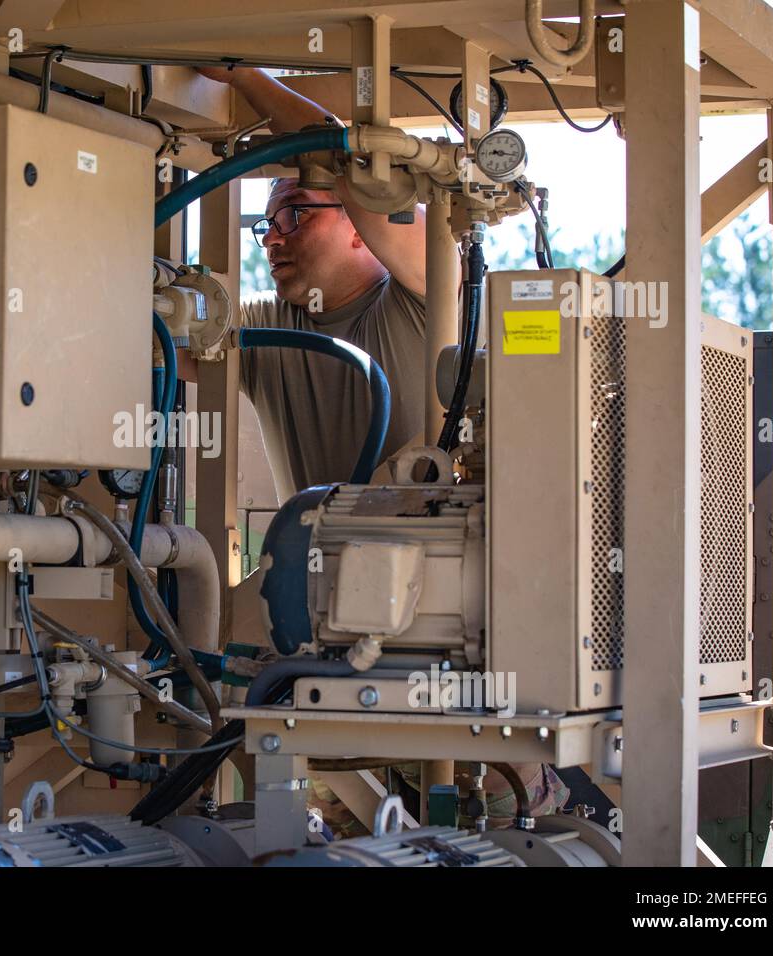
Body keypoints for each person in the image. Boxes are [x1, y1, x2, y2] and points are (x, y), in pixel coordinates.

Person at [196, 66, 569, 834]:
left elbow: (356, 172)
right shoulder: (266, 335)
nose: (274, 235)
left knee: (488, 836)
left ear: (360, 227)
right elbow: (177, 321)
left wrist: (239, 77)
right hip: (336, 640)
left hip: (452, 642)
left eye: (297, 211)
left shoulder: (424, 292)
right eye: (266, 222)